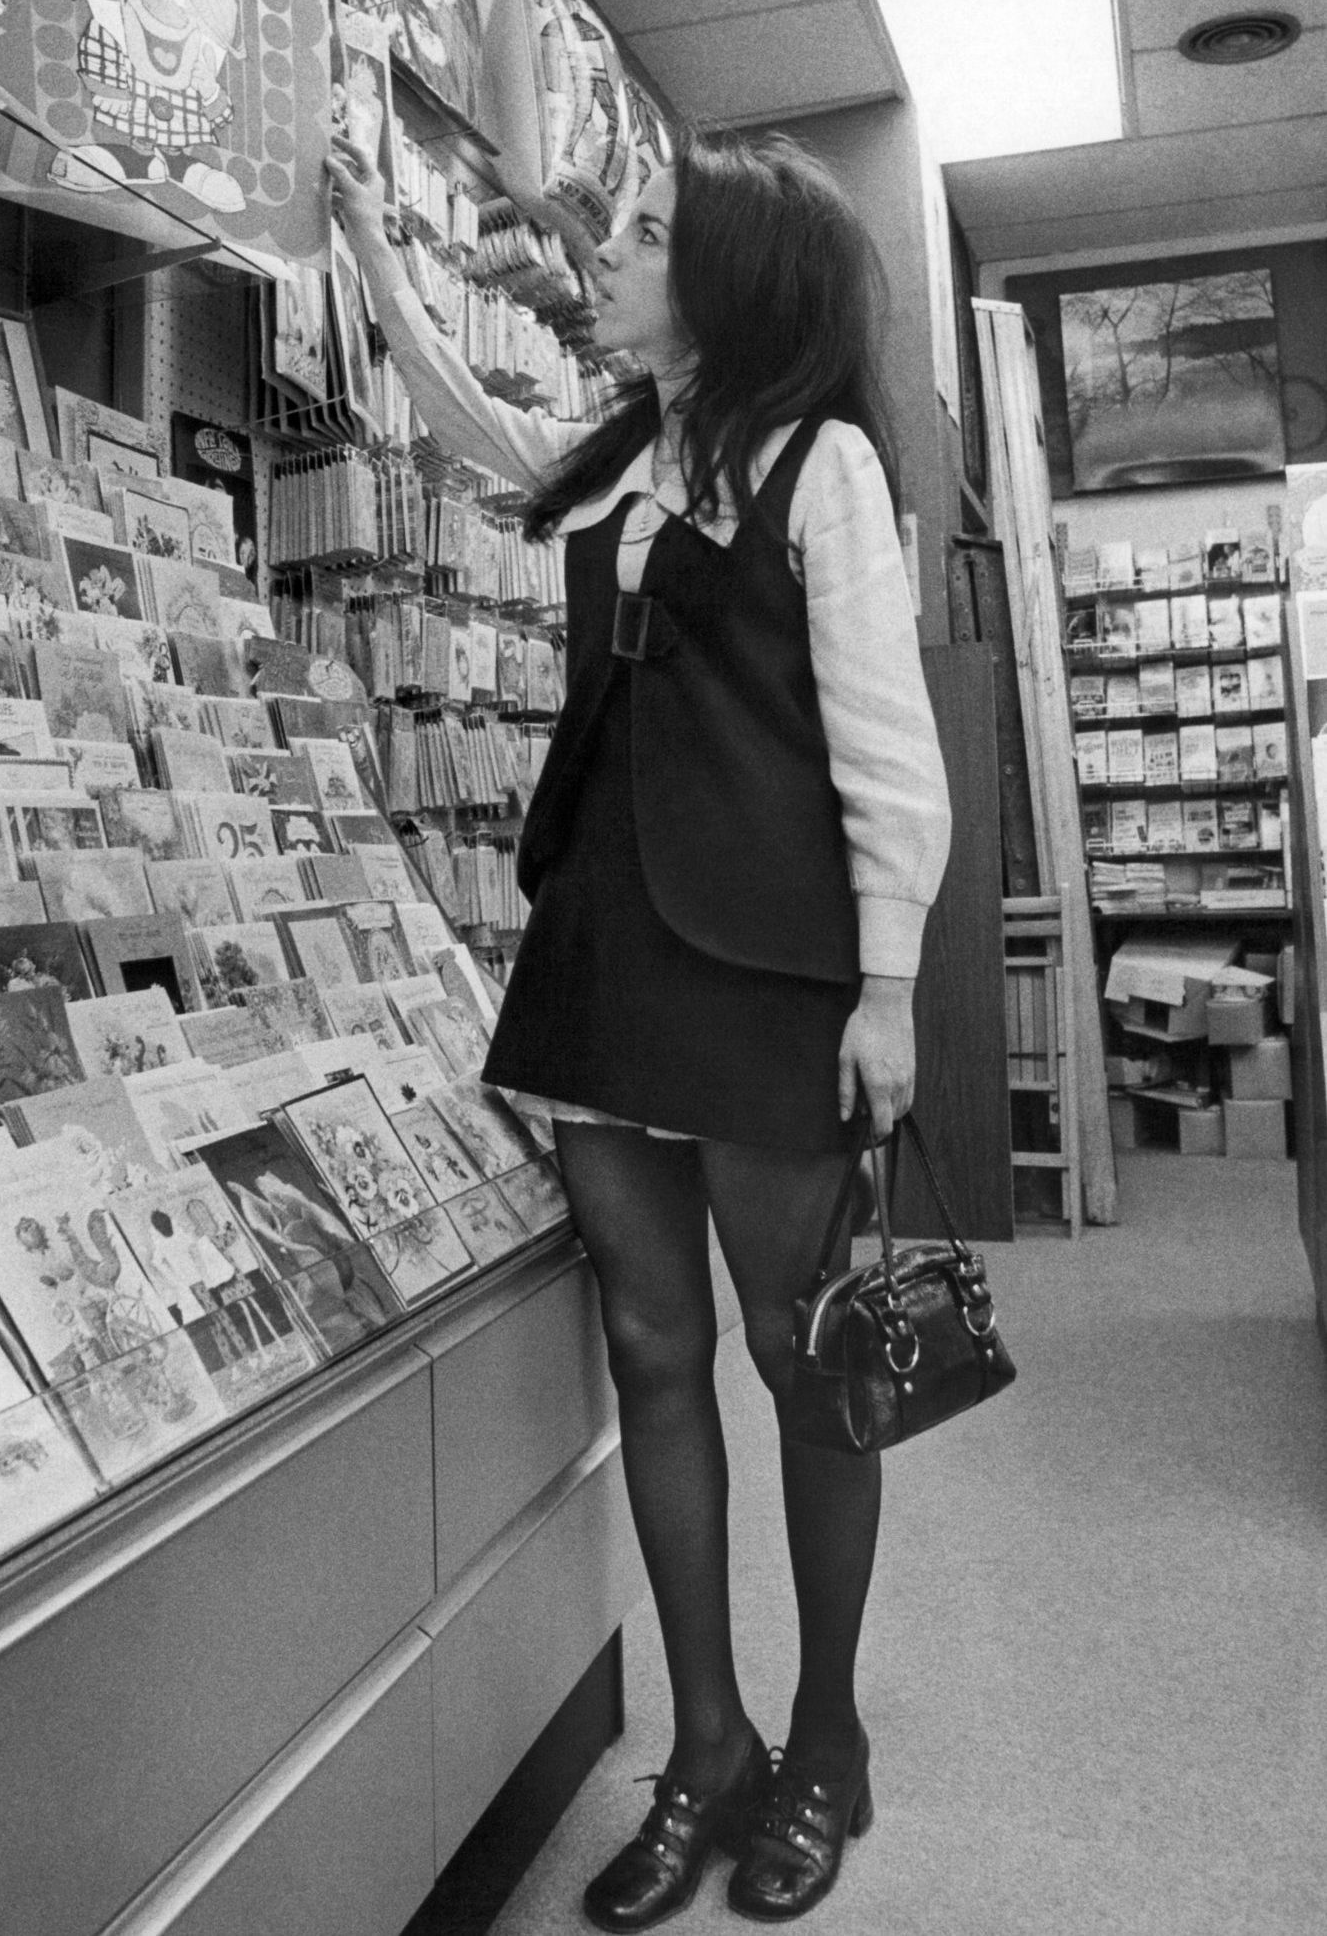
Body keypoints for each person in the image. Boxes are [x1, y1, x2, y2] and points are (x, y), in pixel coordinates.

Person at [328, 126, 951, 1929]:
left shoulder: (818, 465)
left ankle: (827, 1743)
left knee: (807, 1361)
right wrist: (373, 257)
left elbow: (885, 742)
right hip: (602, 962)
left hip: (771, 975)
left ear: (730, 286)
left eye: (650, 238)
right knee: (656, 1361)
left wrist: (892, 985)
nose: (614, 260)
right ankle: (709, 1748)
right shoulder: (618, 457)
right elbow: (471, 430)